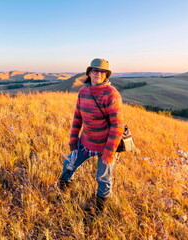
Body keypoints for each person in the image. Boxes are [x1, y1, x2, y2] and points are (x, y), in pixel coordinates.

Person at [59, 58, 125, 217]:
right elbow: (77, 118)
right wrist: (73, 141)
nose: (98, 74)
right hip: (86, 141)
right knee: (69, 164)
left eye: (102, 71)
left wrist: (109, 153)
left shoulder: (111, 94)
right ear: (89, 72)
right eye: (95, 70)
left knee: (103, 179)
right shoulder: (83, 91)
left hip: (105, 145)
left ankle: (99, 210)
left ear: (106, 75)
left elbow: (117, 125)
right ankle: (63, 195)